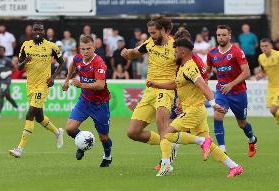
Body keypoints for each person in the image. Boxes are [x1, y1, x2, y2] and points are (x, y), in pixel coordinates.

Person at [147, 38, 243, 177]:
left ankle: (198, 143)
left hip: (194, 110)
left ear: (183, 52)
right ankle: (234, 166)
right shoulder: (183, 67)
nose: (174, 53)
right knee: (209, 146)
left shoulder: (190, 67)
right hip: (195, 110)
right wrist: (156, 84)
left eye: (176, 50)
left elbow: (202, 85)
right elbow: (176, 84)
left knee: (168, 134)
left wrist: (213, 103)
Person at [121, 16, 178, 168]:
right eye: (150, 33)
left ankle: (166, 161)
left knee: (161, 122)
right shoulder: (150, 43)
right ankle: (169, 144)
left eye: (153, 33)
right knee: (133, 132)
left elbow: (187, 69)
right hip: (149, 91)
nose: (151, 36)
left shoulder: (175, 47)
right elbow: (135, 52)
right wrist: (127, 52)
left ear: (163, 31)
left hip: (165, 90)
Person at [9, 22, 64, 158]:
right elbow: (19, 67)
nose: (37, 31)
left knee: (30, 114)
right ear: (31, 32)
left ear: (44, 32)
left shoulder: (51, 47)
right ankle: (58, 132)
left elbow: (61, 63)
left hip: (43, 85)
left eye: (40, 29)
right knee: (39, 117)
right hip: (30, 85)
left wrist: (53, 77)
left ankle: (19, 149)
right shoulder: (26, 45)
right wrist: (25, 61)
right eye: (35, 29)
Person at [207, 25, 257, 157]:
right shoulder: (212, 53)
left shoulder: (237, 52)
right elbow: (206, 71)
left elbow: (246, 73)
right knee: (217, 116)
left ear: (229, 36)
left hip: (238, 92)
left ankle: (252, 139)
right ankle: (222, 149)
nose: (221, 37)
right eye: (218, 35)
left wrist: (231, 84)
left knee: (241, 123)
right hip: (222, 91)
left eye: (224, 35)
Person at [62, 35, 113, 167]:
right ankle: (82, 141)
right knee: (70, 129)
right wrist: (67, 79)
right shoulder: (78, 57)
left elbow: (100, 85)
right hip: (84, 101)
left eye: (88, 49)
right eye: (82, 49)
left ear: (94, 47)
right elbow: (73, 63)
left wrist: (81, 85)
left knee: (103, 137)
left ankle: (107, 156)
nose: (85, 52)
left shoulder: (99, 63)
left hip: (100, 104)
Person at [0, 46, 23, 120]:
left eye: (2, 51)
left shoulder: (7, 60)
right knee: (7, 97)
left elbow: (14, 68)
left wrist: (7, 73)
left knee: (1, 95)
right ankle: (19, 108)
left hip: (6, 80)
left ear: (4, 52)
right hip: (0, 81)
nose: (0, 52)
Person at [256, 38, 279, 124]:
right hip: (271, 87)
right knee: (272, 111)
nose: (264, 48)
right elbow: (264, 71)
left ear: (271, 46)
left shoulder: (277, 55)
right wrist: (260, 76)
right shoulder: (261, 57)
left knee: (273, 109)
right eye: (262, 46)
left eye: (266, 46)